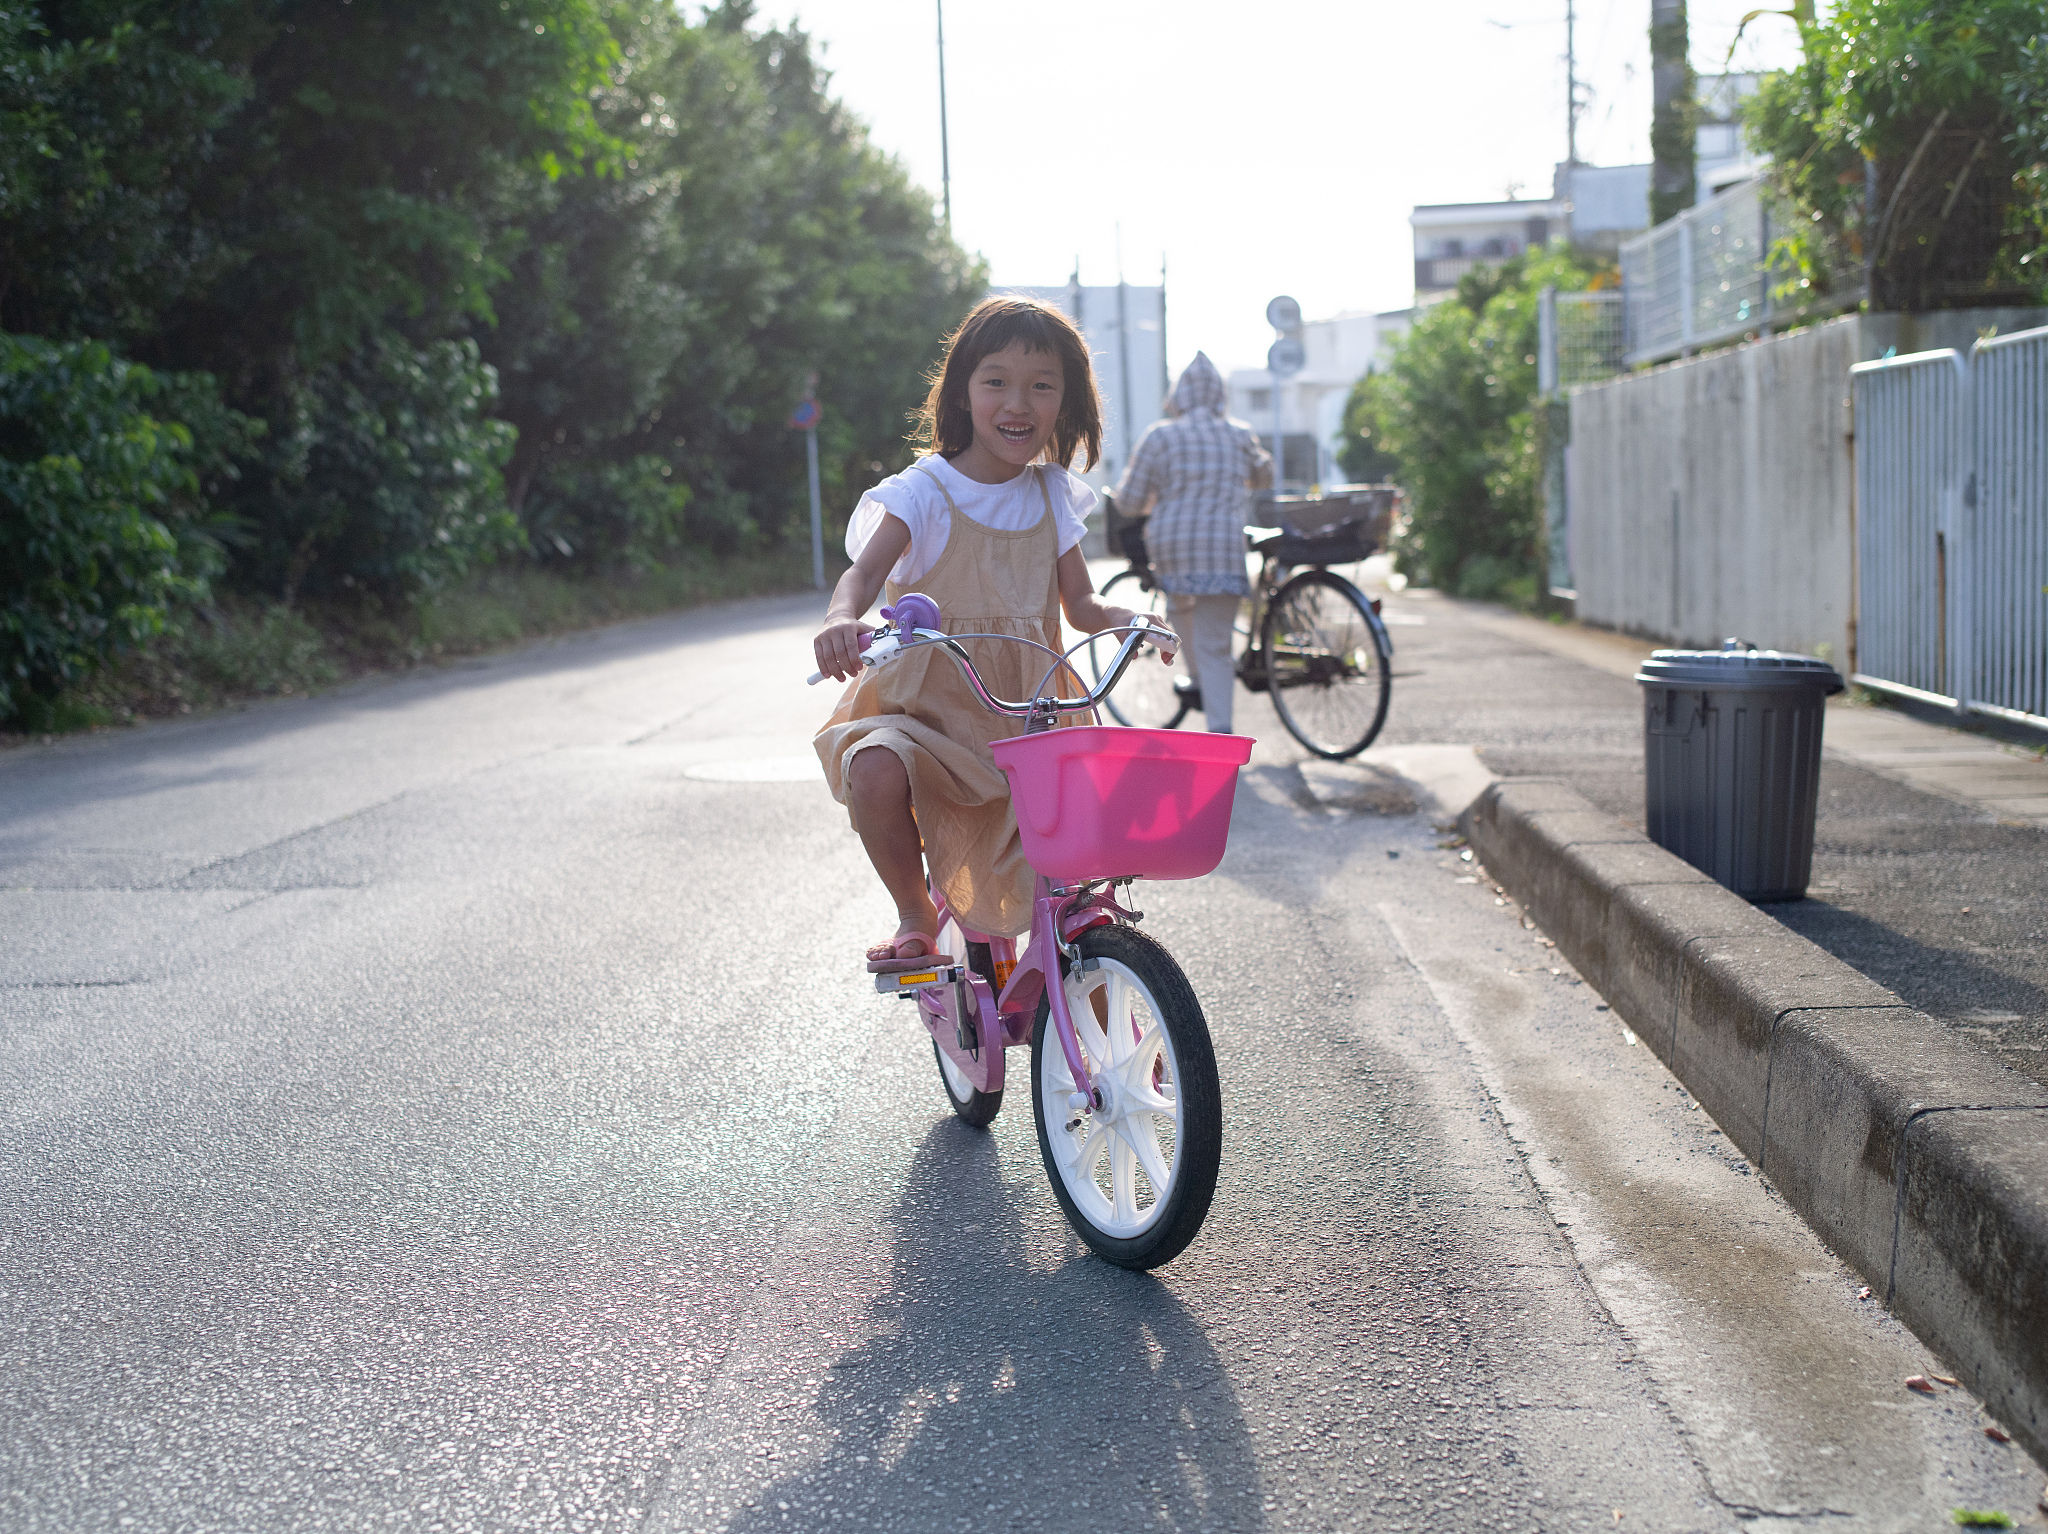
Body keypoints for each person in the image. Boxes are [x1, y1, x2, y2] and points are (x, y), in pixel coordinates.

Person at [812, 297, 1166, 965]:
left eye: (1042, 385)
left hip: (1027, 711)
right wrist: (840, 619)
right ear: (963, 392)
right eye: (996, 380)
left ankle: (1065, 966)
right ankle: (914, 911)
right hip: (929, 717)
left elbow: (1083, 606)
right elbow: (860, 577)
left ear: (1067, 402)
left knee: (1076, 860)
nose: (1018, 402)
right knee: (877, 769)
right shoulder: (924, 491)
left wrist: (1132, 621)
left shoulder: (1053, 494)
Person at [1112, 353, 1272, 734]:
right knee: (1217, 642)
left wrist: (1155, 497)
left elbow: (1128, 502)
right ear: (1220, 394)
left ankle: (1197, 680)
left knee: (1178, 604)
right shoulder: (1239, 433)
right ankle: (1220, 730)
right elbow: (1264, 476)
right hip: (1223, 548)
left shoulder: (1161, 435)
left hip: (1174, 548)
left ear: (1179, 394)